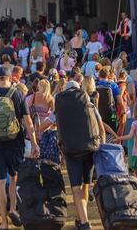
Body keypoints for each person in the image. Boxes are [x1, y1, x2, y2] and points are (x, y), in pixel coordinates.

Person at [0, 66, 39, 230]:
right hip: (15, 144)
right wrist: (34, 143)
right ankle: (13, 208)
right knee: (14, 177)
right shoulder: (17, 94)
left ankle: (4, 222)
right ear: (11, 78)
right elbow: (28, 122)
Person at [55, 81, 106, 230]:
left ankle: (84, 222)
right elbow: (100, 126)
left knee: (75, 188)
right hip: (89, 148)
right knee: (86, 185)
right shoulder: (87, 101)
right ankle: (82, 218)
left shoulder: (61, 104)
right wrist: (100, 145)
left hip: (71, 151)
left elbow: (49, 122)